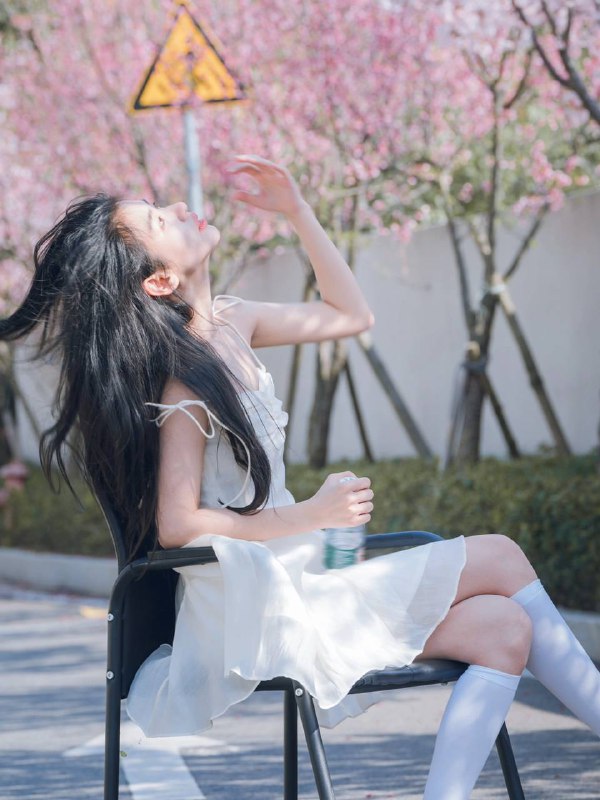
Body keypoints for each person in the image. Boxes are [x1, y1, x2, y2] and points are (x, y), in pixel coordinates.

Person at [1, 155, 598, 799]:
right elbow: (176, 525)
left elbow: (350, 315)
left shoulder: (235, 321)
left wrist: (297, 211)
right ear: (160, 279)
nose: (176, 207)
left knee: (505, 630)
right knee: (501, 555)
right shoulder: (184, 380)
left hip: (304, 574)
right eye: (159, 220)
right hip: (268, 604)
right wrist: (313, 514)